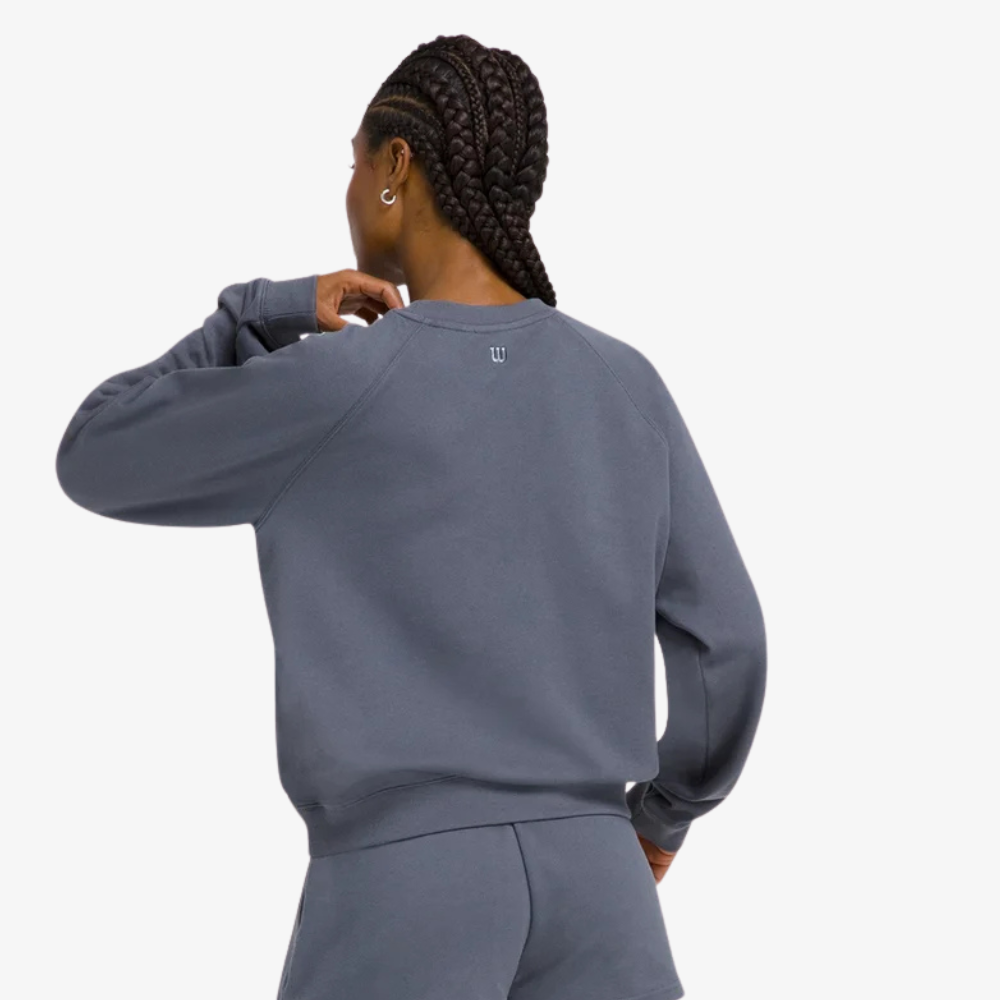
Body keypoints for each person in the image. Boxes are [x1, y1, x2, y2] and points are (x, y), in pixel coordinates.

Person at [54, 32, 766, 1000]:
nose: (349, 189)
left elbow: (96, 451)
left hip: (406, 888)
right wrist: (661, 816)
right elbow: (727, 641)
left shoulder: (333, 384)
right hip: (605, 887)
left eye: (353, 163)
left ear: (396, 165)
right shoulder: (624, 384)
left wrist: (258, 312)